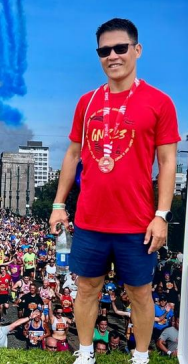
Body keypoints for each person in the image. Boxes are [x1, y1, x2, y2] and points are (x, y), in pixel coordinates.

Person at [49, 18, 180, 364]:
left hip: (137, 221)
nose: (113, 55)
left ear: (136, 50)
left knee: (140, 292)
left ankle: (140, 356)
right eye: (104, 50)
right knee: (87, 288)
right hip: (90, 218)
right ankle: (86, 351)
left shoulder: (160, 102)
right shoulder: (87, 102)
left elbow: (167, 163)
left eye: (120, 48)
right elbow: (73, 154)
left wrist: (161, 216)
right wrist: (59, 204)